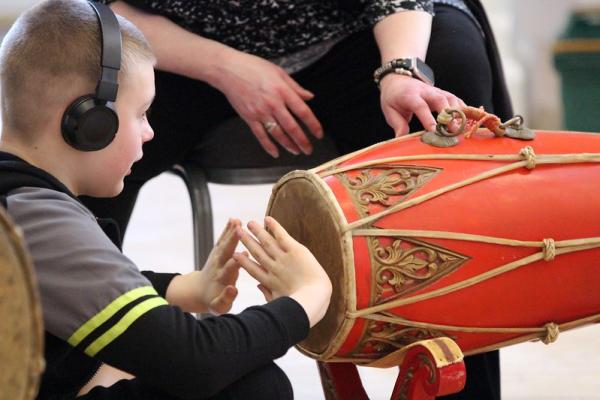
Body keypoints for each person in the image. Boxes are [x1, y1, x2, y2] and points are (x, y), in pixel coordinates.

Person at [82, 1, 511, 399]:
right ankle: (67, 355)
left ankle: (461, 381)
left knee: (451, 74)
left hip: (359, 38)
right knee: (82, 94)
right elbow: (99, 11)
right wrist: (227, 67)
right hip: (181, 50)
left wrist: (401, 69)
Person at [0, 1, 332, 399]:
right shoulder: (35, 217)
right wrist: (307, 298)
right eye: (141, 114)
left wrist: (185, 288)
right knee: (254, 388)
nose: (149, 133)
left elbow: (78, 282)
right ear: (90, 122)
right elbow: (198, 362)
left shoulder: (19, 197)